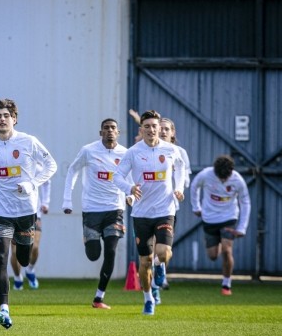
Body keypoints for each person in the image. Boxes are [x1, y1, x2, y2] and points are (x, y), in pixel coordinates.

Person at [0, 98, 57, 329]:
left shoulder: (28, 142)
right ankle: (4, 309)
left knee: (22, 258)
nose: (2, 119)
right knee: (0, 258)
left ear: (14, 119)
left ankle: (25, 261)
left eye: (6, 115)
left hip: (25, 209)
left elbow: (51, 165)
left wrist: (32, 184)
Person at [114, 110, 185, 316]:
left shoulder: (171, 150)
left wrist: (178, 187)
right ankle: (148, 298)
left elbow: (180, 168)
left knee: (162, 253)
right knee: (144, 263)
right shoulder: (133, 152)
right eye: (147, 126)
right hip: (141, 213)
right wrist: (129, 188)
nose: (152, 130)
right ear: (141, 129)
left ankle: (161, 266)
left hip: (165, 210)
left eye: (155, 126)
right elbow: (117, 176)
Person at [62, 118, 129, 310]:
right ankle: (88, 238)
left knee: (111, 252)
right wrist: (67, 200)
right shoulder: (88, 150)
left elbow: (130, 177)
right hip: (91, 209)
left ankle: (99, 298)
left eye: (113, 128)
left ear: (118, 132)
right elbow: (72, 171)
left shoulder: (125, 153)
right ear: (101, 133)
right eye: (106, 128)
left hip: (115, 209)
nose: (110, 131)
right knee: (93, 255)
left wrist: (129, 194)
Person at [190, 155, 251, 296]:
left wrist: (242, 227)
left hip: (229, 218)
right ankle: (215, 242)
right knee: (213, 256)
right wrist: (196, 207)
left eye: (226, 178)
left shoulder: (238, 180)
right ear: (215, 171)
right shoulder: (205, 174)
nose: (223, 180)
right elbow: (194, 187)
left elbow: (245, 202)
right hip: (209, 219)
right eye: (220, 177)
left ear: (231, 172)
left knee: (227, 250)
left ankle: (226, 284)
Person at [155, 117, 192, 290]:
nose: (162, 131)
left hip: (169, 205)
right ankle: (155, 285)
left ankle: (160, 270)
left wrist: (179, 188)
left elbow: (186, 177)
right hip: (148, 204)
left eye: (166, 129)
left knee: (164, 247)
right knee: (152, 246)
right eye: (160, 128)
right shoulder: (148, 150)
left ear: (172, 132)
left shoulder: (179, 152)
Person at [10, 170, 50, 290]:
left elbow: (47, 181)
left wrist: (46, 202)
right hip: (13, 213)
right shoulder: (10, 164)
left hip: (33, 213)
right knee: (14, 251)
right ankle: (17, 277)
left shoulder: (36, 166)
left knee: (35, 247)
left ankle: (30, 269)